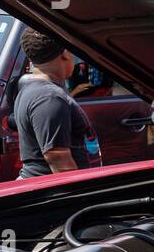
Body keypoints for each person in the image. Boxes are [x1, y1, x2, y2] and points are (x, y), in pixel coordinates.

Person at [14, 29, 103, 178]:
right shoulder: (49, 97)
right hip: (53, 194)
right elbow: (59, 161)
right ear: (65, 53)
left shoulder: (35, 89)